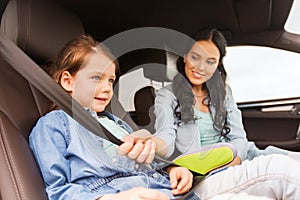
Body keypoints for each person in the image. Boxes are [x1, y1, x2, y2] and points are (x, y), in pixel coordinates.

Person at [29, 35, 196, 200]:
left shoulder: (117, 123)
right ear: (68, 81)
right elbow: (57, 191)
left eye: (111, 80)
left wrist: (172, 170)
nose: (108, 88)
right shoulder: (54, 124)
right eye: (96, 78)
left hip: (164, 188)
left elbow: (145, 164)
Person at [154, 27, 300, 162]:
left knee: (290, 160)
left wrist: (235, 161)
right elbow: (165, 136)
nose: (201, 67)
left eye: (210, 61)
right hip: (205, 167)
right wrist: (152, 145)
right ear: (185, 56)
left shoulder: (223, 91)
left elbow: (238, 137)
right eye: (195, 57)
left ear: (217, 64)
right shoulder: (167, 96)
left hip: (241, 157)